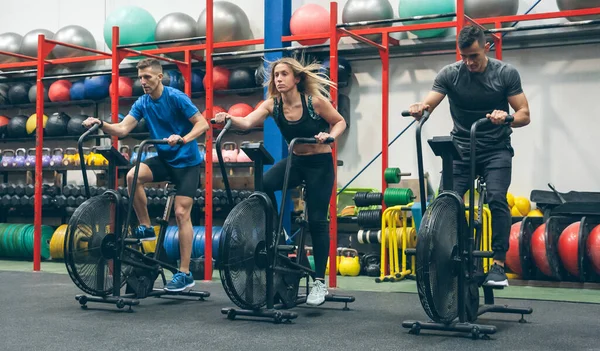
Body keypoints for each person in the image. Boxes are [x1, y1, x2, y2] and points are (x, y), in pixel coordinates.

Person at [214, 57, 347, 306]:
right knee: (262, 185)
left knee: (318, 220)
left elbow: (340, 121)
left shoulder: (314, 102)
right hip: (296, 162)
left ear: (296, 78)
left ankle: (319, 282)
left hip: (319, 165)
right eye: (276, 75)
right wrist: (229, 119)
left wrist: (329, 136)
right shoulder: (272, 105)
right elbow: (247, 121)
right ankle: (278, 231)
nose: (279, 79)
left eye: (284, 74)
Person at [408, 25, 531, 287]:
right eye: (464, 56)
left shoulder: (505, 73)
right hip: (462, 150)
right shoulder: (450, 75)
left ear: (486, 47)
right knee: (445, 203)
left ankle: (498, 265)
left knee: (497, 199)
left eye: (474, 56)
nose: (469, 62)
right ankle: (453, 254)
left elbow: (524, 114)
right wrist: (421, 107)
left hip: (495, 149)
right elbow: (429, 102)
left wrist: (507, 117)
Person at [82, 58, 210, 292]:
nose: (143, 82)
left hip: (187, 163)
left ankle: (184, 273)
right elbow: (122, 129)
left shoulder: (176, 97)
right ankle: (146, 226)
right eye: (140, 78)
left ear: (159, 77)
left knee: (181, 213)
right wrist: (101, 123)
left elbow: (202, 124)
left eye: (147, 77)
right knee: (132, 176)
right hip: (165, 159)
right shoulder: (142, 102)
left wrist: (183, 138)